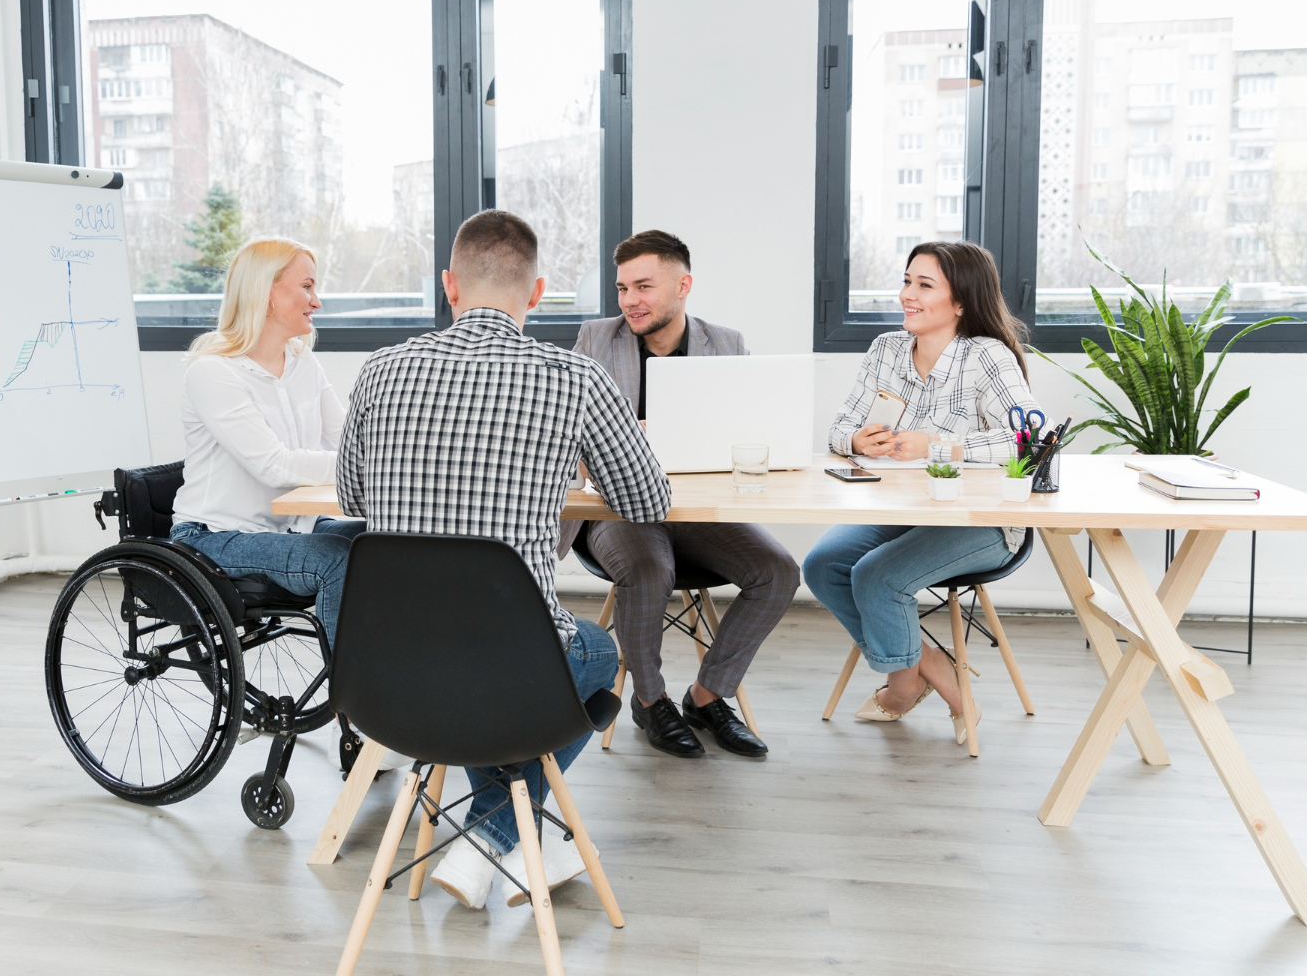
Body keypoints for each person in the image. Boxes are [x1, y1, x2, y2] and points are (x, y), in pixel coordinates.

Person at [338, 209, 671, 910]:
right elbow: (647, 499)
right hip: (509, 675)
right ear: (538, 292)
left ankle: (498, 839)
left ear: (449, 285)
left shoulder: (379, 370)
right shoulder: (575, 378)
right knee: (597, 653)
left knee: (496, 674)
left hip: (388, 676)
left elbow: (352, 497)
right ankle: (494, 837)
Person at [560, 229, 798, 759]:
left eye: (643, 287)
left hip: (694, 510)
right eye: (622, 288)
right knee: (649, 570)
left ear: (683, 286)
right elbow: (566, 430)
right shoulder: (597, 339)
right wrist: (626, 436)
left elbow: (753, 430)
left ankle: (707, 696)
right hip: (616, 508)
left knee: (778, 571)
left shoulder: (726, 344)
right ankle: (650, 701)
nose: (629, 300)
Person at [801, 241, 1047, 745]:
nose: (907, 295)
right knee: (823, 564)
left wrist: (941, 445)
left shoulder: (986, 356)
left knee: (877, 576)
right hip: (901, 510)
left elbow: (1030, 439)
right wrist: (857, 440)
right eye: (907, 281)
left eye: (924, 285)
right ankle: (931, 667)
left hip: (982, 523)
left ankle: (904, 688)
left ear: (960, 302)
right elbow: (840, 426)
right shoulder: (887, 349)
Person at [170, 237, 364, 648]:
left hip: (290, 527)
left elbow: (349, 438)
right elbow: (274, 467)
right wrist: (365, 464)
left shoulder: (302, 361)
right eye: (307, 287)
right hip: (214, 537)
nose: (316, 301)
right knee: (336, 560)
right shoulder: (213, 372)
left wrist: (394, 453)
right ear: (267, 293)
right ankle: (356, 683)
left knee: (384, 541)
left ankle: (400, 666)